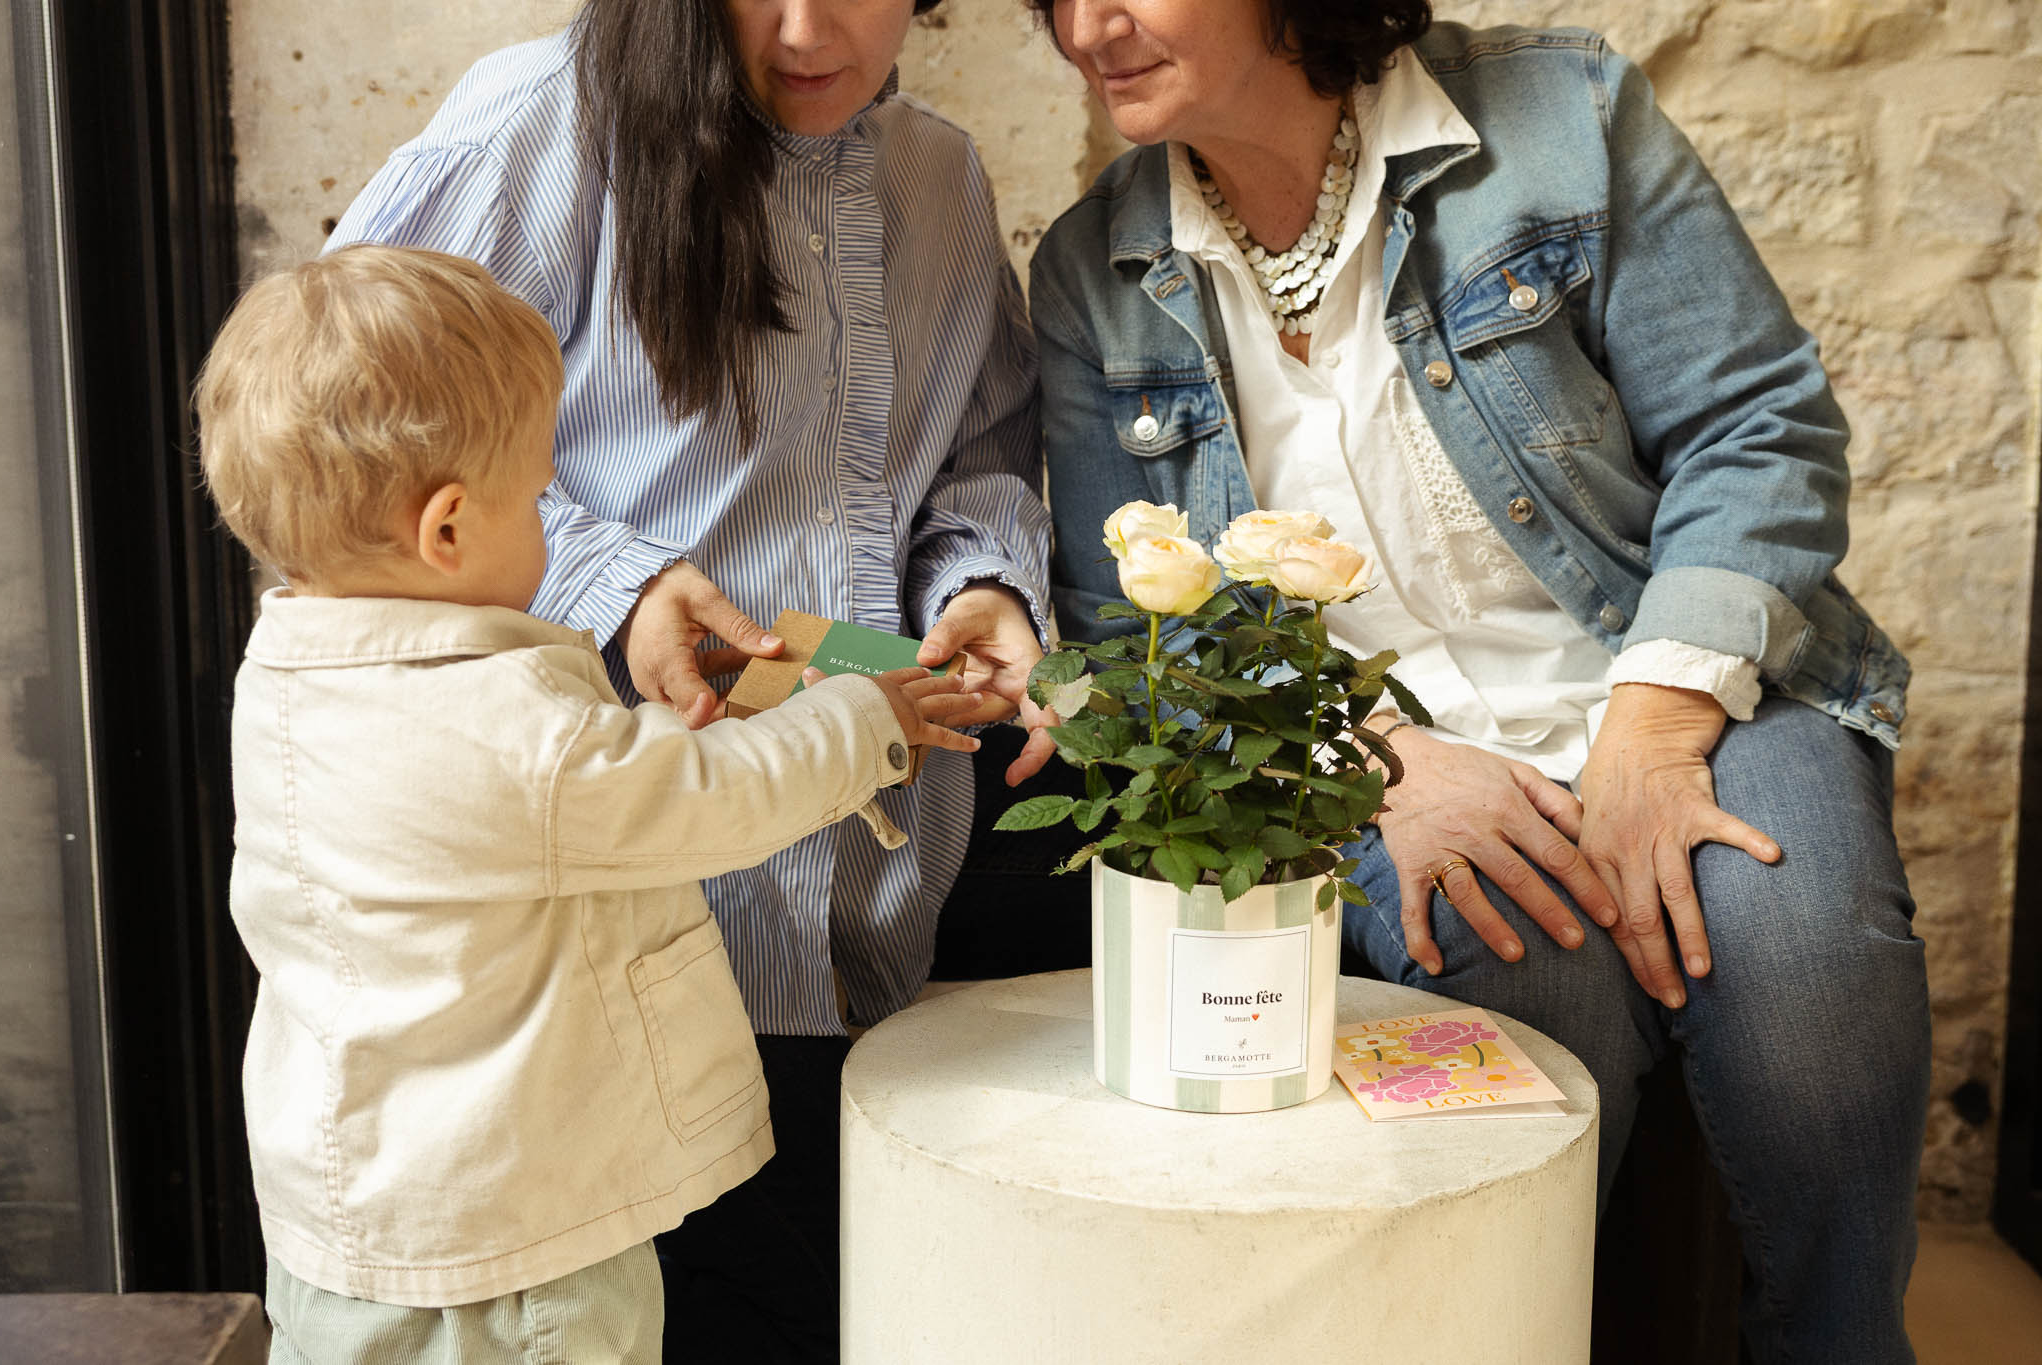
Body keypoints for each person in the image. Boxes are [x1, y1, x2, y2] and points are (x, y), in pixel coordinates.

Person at [1024, 3, 1929, 1361]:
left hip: (1683, 672)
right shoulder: (1095, 267)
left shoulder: (1558, 117)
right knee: (1529, 999)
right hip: (1386, 751)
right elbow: (1126, 624)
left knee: (1812, 1001)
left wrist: (1653, 733)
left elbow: (1757, 431)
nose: (1089, 25)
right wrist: (1372, 765)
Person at [323, 2, 1054, 1357]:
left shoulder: (939, 174)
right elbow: (336, 443)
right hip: (623, 921)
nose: (803, 27)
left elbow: (983, 449)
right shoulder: (539, 124)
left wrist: (983, 589)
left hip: (885, 891)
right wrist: (623, 589)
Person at [196, 244, 982, 1363]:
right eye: (535, 498)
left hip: (357, 1216)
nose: (547, 524)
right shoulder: (506, 733)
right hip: (516, 1255)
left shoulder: (291, 673)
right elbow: (708, 800)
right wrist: (863, 716)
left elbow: (549, 795)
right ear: (450, 529)